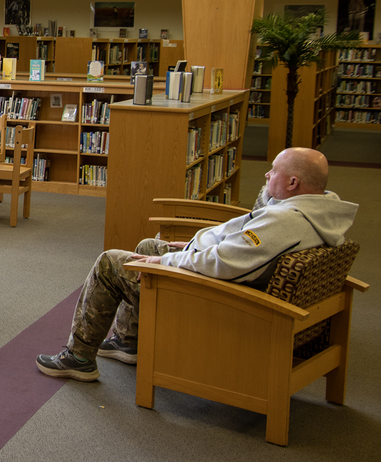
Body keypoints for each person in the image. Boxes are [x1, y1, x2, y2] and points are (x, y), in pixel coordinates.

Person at [36, 148, 358, 382]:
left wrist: (169, 260)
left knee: (111, 263)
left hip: (218, 299)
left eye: (273, 170)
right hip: (229, 280)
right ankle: (128, 340)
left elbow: (226, 264)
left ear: (293, 183)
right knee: (149, 245)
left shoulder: (286, 222)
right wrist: (189, 246)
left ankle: (79, 357)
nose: (267, 174)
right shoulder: (319, 210)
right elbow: (245, 248)